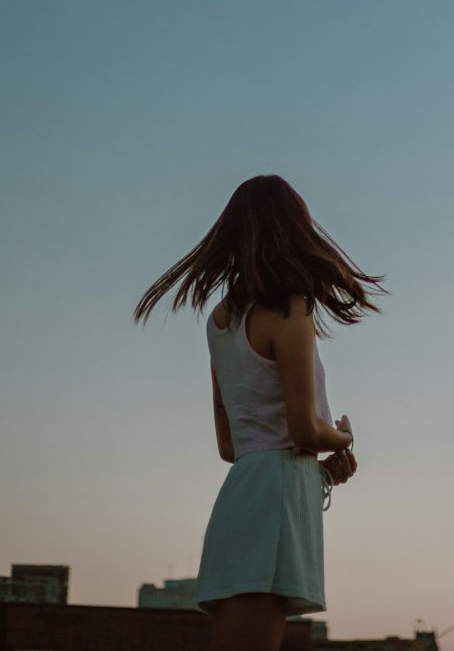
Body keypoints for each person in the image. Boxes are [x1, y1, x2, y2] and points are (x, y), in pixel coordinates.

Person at [134, 174, 384, 651]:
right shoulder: (291, 309)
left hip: (244, 492)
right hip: (277, 499)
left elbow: (233, 447)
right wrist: (345, 438)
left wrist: (324, 474)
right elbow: (303, 429)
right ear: (296, 230)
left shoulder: (220, 320)